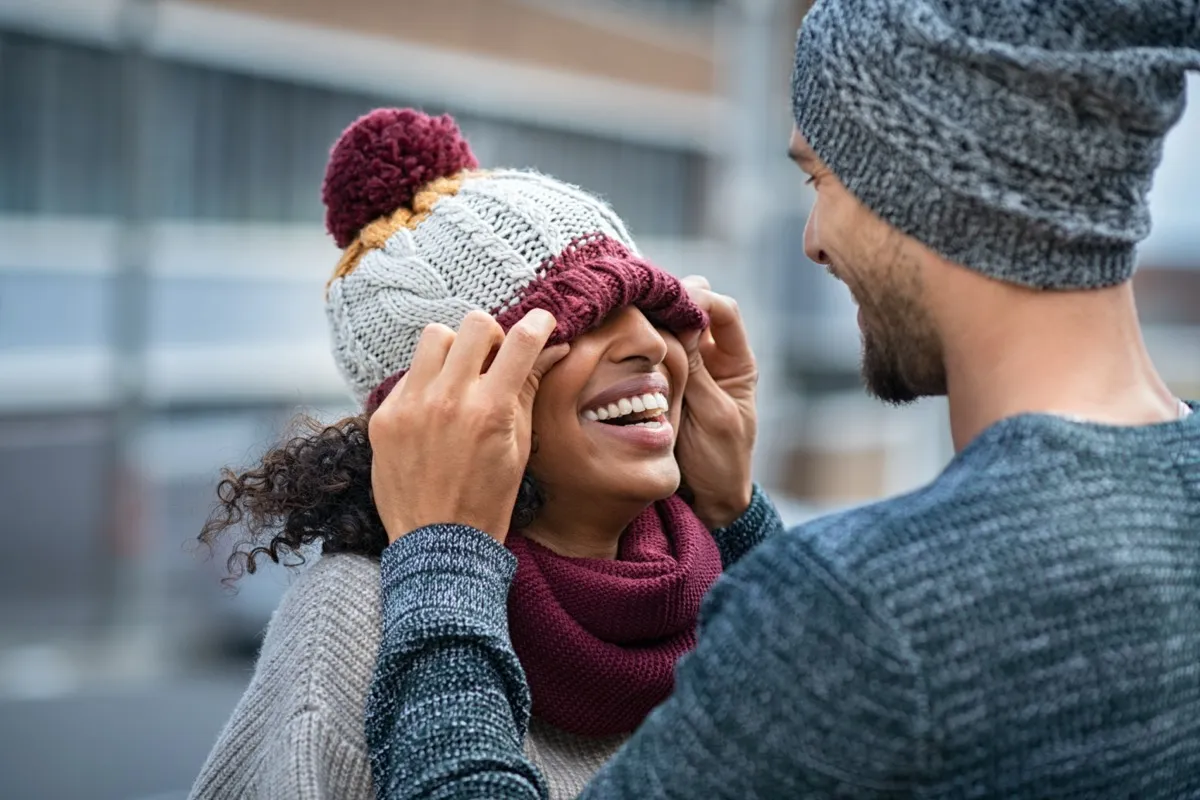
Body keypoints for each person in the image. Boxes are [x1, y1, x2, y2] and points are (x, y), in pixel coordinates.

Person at [360, 1, 1200, 798]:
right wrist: (737, 516)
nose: (815, 242)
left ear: (920, 179)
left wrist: (442, 559)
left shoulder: (864, 611)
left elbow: (853, 656)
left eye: (819, 181)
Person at [188, 108, 771, 800]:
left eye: (653, 306)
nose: (649, 341)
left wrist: (738, 518)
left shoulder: (732, 590)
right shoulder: (357, 618)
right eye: (585, 316)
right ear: (449, 409)